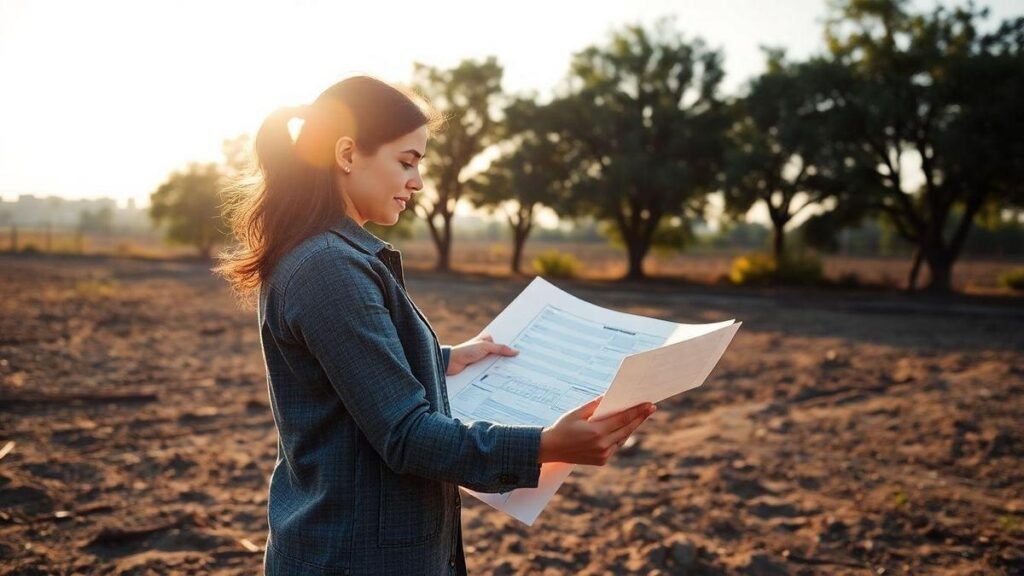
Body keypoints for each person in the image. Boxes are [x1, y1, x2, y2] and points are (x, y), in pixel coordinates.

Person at [216, 75, 656, 576]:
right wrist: (546, 446)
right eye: (406, 162)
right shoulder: (328, 267)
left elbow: (350, 369)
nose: (417, 182)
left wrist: (444, 357)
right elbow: (407, 436)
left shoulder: (324, 256)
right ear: (346, 154)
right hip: (354, 556)